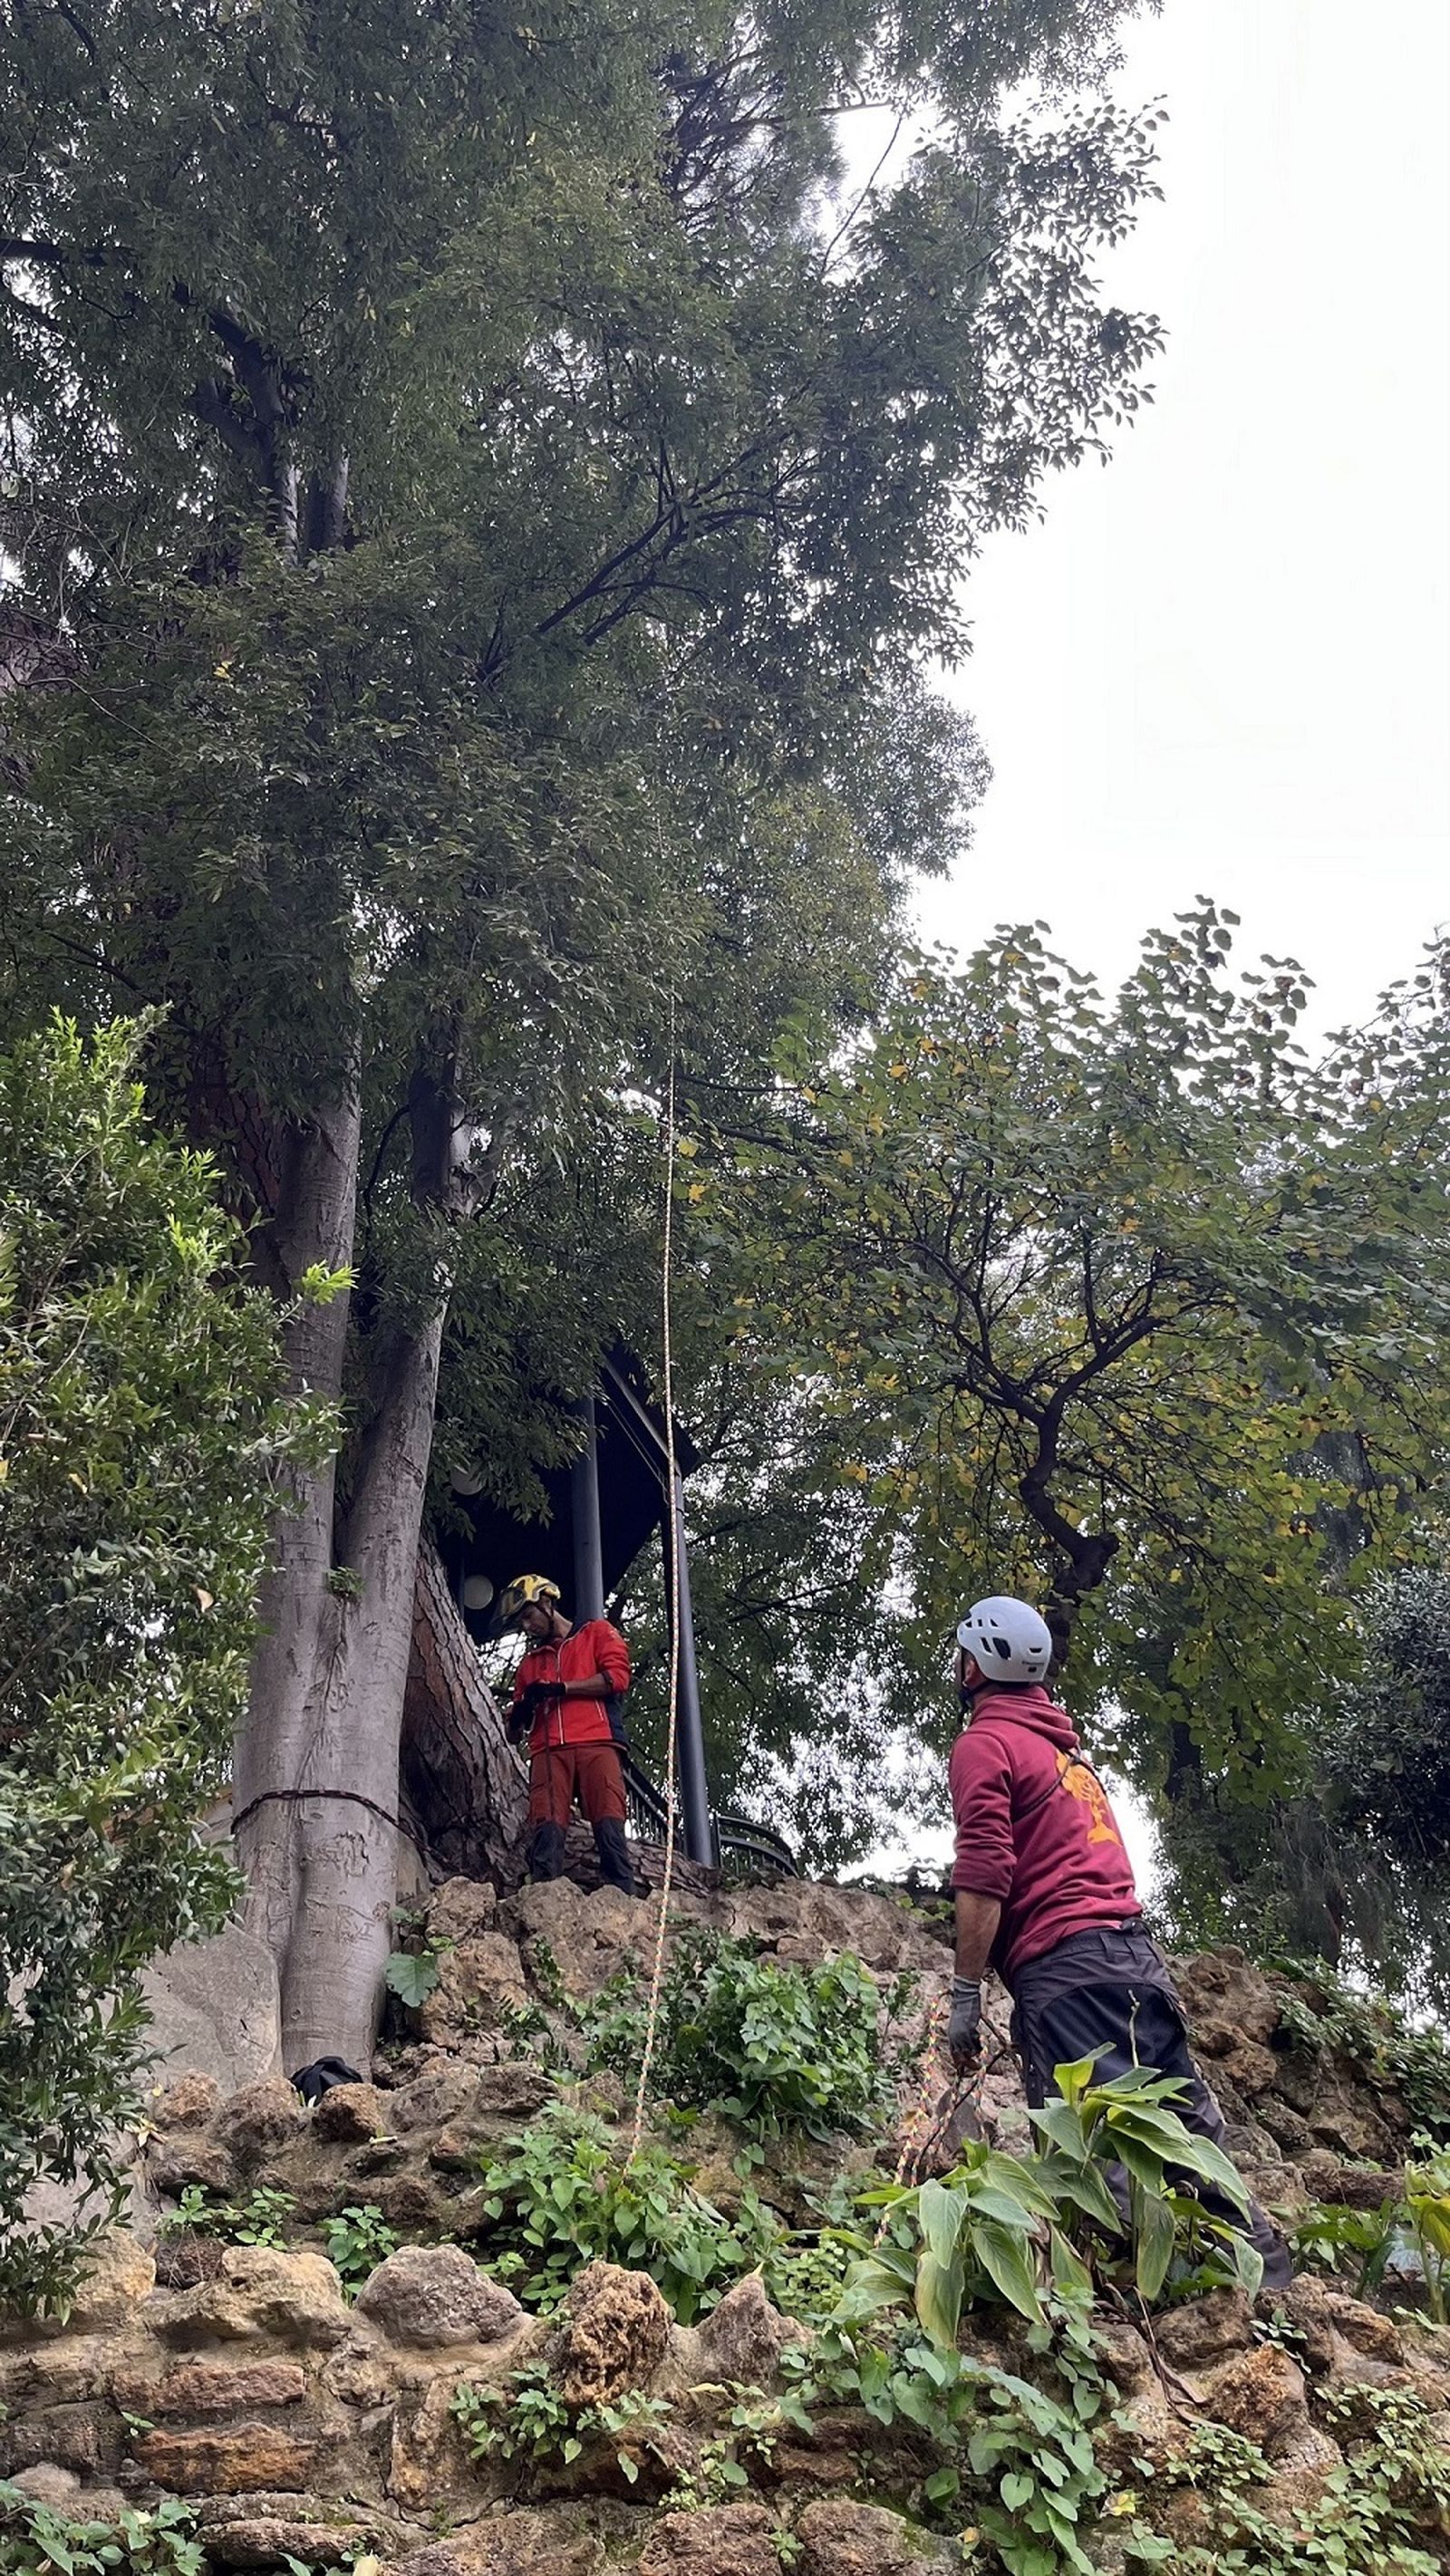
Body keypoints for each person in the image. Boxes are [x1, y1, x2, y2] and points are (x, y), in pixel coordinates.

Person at [946, 1592, 1291, 2291]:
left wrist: (963, 1992)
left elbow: (985, 1874)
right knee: (1187, 2137)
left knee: (1088, 2154)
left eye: (961, 1654)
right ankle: (1271, 2280)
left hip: (1066, 1974)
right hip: (1139, 1963)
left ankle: (1114, 2323)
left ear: (978, 1665)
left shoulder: (985, 1742)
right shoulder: (1068, 1757)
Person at [499, 1572, 637, 1896]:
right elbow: (512, 1736)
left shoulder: (597, 1633)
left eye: (529, 1616)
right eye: (520, 1622)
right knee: (546, 1826)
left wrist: (561, 1688)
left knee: (609, 1821)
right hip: (549, 1752)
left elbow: (616, 1679)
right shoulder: (529, 1665)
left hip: (597, 1741)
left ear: (547, 1603)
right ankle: (543, 1900)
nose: (526, 1627)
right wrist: (519, 1714)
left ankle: (624, 1898)